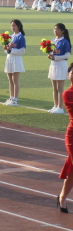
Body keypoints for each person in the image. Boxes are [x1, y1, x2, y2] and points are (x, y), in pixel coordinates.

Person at [57, 63, 73, 213]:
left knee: (72, 171)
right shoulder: (67, 93)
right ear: (68, 75)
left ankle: (62, 197)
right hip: (72, 136)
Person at [48, 23, 71, 114]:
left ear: (62, 31)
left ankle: (60, 107)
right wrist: (50, 55)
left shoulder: (65, 42)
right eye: (54, 29)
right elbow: (52, 52)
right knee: (54, 87)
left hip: (61, 65)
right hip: (53, 64)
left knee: (60, 87)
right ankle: (55, 105)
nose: (55, 31)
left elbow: (67, 56)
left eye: (57, 29)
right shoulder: (53, 41)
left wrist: (56, 57)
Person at [4, 20, 26, 107]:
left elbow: (22, 51)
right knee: (10, 80)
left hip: (16, 59)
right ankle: (11, 98)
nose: (12, 27)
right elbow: (8, 50)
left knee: (15, 80)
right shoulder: (10, 36)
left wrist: (11, 49)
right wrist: (6, 49)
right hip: (9, 58)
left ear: (18, 26)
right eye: (11, 25)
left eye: (14, 26)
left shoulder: (21, 37)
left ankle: (15, 100)